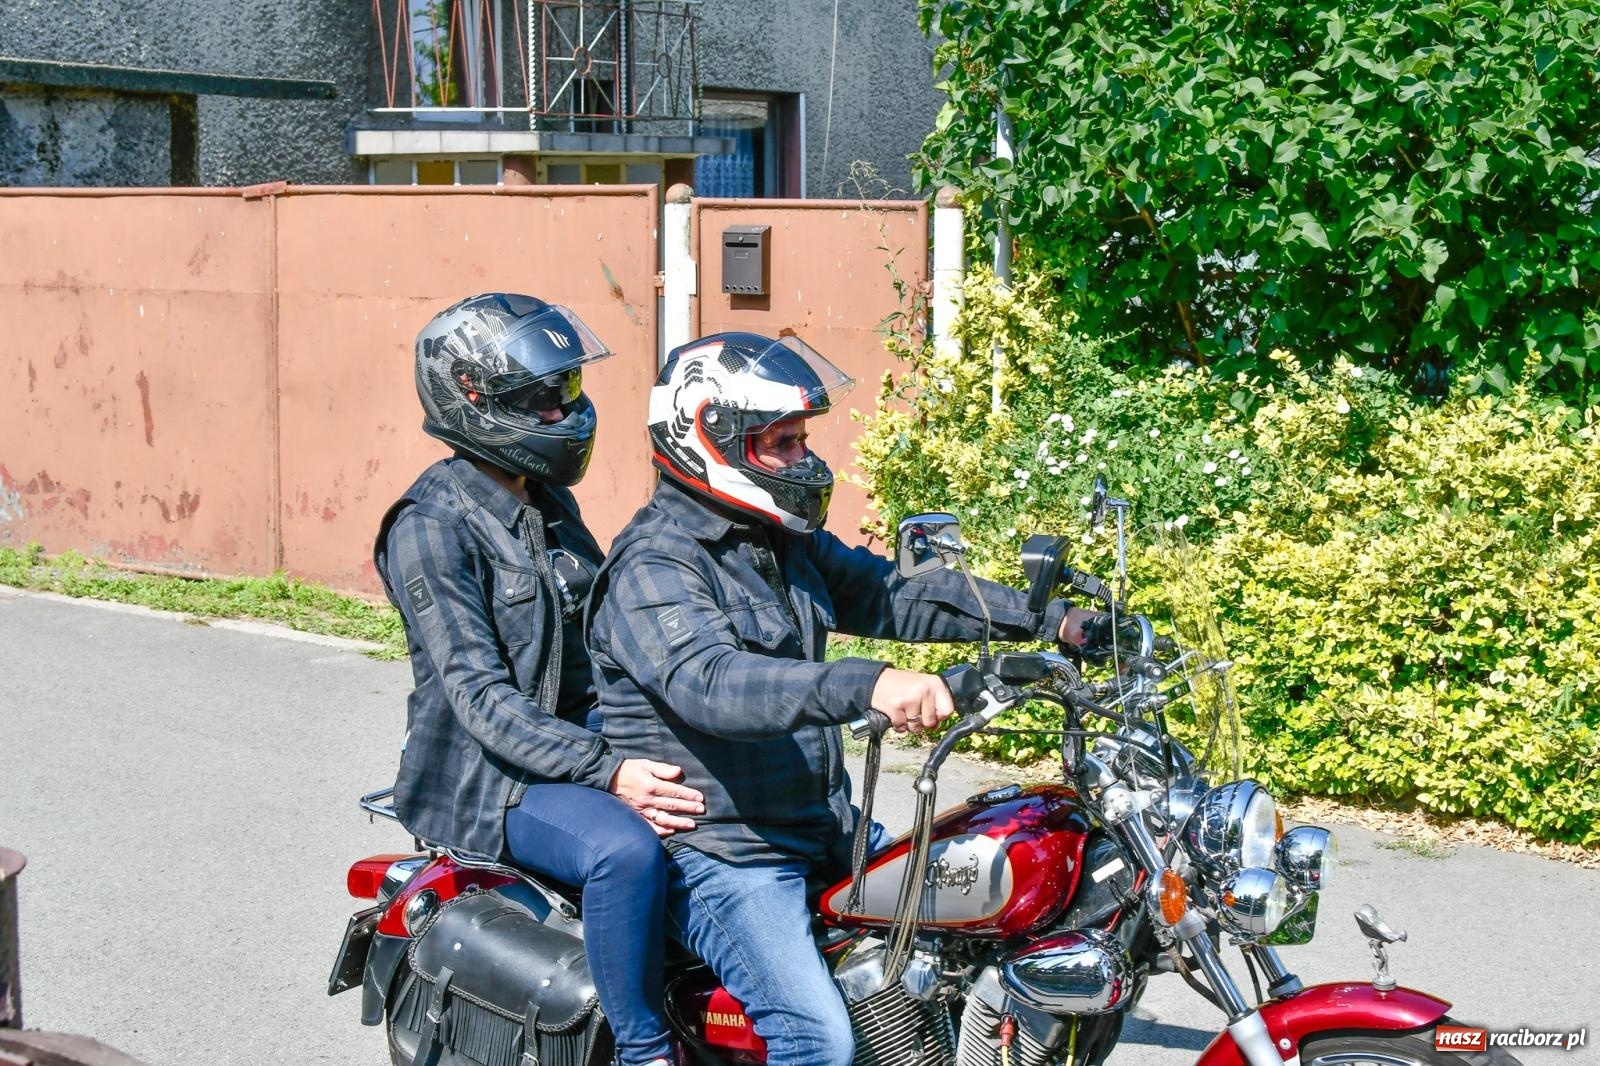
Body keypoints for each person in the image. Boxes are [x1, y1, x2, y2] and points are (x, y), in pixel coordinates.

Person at [586, 331, 1099, 1066]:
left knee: (959, 948)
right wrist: (869, 682)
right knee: (818, 1041)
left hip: (819, 829)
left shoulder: (778, 539)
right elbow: (712, 681)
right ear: (708, 437)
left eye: (804, 440)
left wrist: (1053, 621)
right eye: (783, 443)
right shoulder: (657, 563)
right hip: (726, 854)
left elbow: (890, 592)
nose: (805, 460)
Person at [373, 293, 703, 1066]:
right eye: (541, 401)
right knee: (623, 853)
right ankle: (643, 1048)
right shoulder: (430, 527)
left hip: (578, 739)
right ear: (475, 400)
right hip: (490, 779)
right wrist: (612, 769)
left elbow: (607, 622)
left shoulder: (545, 499)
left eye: (568, 394)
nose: (565, 414)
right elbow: (482, 701)